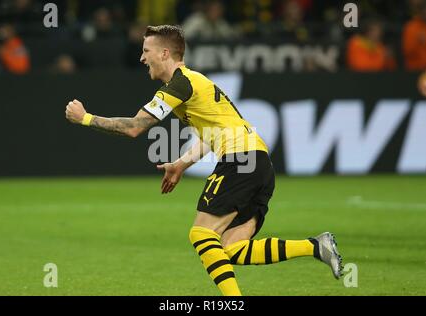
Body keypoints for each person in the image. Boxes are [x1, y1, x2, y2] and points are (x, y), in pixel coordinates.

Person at [65, 25, 343, 296]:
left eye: (146, 50)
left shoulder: (181, 83)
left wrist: (86, 118)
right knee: (231, 248)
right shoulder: (196, 82)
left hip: (240, 159)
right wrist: (182, 163)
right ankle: (316, 246)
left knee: (201, 234)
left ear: (165, 54)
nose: (141, 58)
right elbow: (211, 134)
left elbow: (135, 127)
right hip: (258, 163)